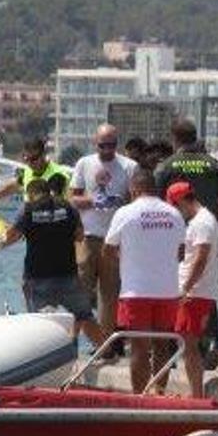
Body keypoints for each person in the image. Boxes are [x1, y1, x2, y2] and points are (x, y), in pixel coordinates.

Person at [155, 119, 218, 368]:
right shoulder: (212, 164)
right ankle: (211, 343)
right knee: (206, 292)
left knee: (179, 292)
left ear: (174, 139)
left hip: (175, 236)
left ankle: (179, 349)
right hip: (208, 232)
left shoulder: (167, 166)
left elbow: (156, 202)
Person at [103, 169, 186, 394]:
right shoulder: (174, 213)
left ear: (134, 189)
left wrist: (124, 263)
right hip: (167, 290)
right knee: (162, 344)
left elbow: (108, 250)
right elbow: (181, 252)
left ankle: (139, 396)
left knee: (139, 347)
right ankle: (159, 390)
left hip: (135, 290)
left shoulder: (125, 213)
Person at [3, 179, 105, 347]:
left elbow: (9, 237)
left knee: (42, 324)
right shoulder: (68, 207)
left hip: (38, 277)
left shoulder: (28, 209)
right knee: (84, 315)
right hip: (68, 275)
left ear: (31, 193)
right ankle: (105, 351)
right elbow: (80, 237)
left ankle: (48, 358)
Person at [69, 124, 138, 351]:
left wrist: (121, 202)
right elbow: (73, 200)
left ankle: (106, 347)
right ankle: (73, 343)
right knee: (80, 292)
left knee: (110, 295)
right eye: (102, 145)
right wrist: (93, 202)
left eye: (111, 145)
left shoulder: (129, 167)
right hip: (87, 238)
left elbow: (138, 202)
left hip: (115, 240)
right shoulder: (84, 163)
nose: (107, 150)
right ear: (94, 143)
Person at [166, 182, 218, 397]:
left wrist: (185, 288)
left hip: (195, 293)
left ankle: (196, 394)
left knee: (189, 344)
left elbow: (201, 257)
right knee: (187, 343)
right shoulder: (202, 220)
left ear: (180, 202)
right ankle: (194, 392)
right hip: (195, 291)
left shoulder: (202, 223)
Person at [0, 138, 70, 205]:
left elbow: (50, 204)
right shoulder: (28, 171)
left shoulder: (56, 175)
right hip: (33, 221)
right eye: (26, 159)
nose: (30, 163)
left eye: (34, 159)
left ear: (43, 155)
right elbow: (11, 187)